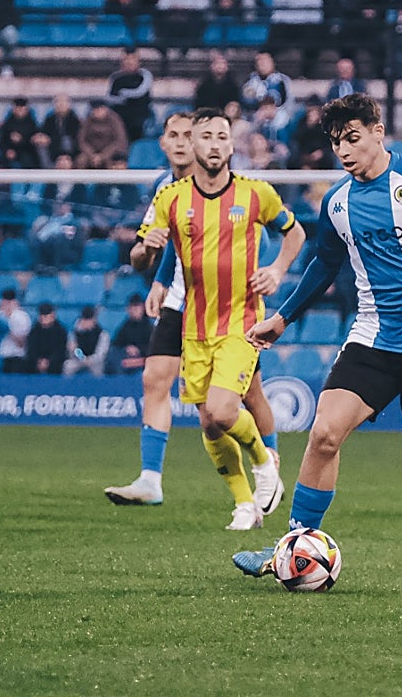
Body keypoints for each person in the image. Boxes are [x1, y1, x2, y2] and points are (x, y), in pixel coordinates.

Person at [232, 93, 402, 594]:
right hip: (372, 337)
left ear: (379, 131)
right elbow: (324, 263)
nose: (344, 150)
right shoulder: (336, 201)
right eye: (337, 142)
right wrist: (283, 317)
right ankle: (292, 548)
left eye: (354, 138)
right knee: (323, 436)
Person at [117, 107, 302, 529]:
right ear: (190, 146)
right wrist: (149, 252)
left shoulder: (257, 193)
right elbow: (142, 255)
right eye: (205, 137)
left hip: (241, 320)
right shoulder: (170, 196)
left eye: (222, 137)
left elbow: (295, 231)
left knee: (224, 410)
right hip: (192, 324)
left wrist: (277, 270)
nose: (212, 145)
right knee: (210, 422)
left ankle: (265, 462)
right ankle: (243, 504)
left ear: (232, 144)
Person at [63, 305, 110, 377]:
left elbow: (100, 354)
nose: (87, 322)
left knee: (99, 370)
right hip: (79, 360)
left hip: (95, 362)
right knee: (68, 366)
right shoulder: (74, 333)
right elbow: (74, 349)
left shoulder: (103, 334)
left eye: (90, 320)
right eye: (85, 320)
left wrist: (90, 360)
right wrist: (82, 358)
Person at [26, 303, 68, 374]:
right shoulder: (34, 331)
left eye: (46, 315)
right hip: (36, 361)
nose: (44, 318)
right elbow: (31, 349)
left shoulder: (60, 331)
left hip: (55, 362)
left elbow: (60, 350)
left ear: (53, 315)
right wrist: (39, 361)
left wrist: (48, 361)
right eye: (42, 315)